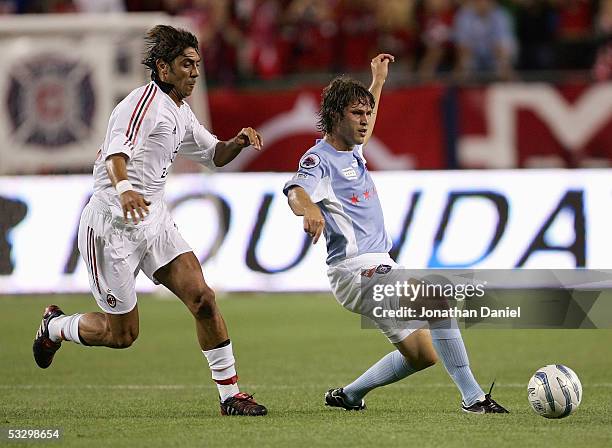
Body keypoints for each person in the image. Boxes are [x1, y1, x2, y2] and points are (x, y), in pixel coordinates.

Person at [33, 25, 267, 417]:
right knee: (121, 335)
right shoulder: (141, 104)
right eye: (185, 64)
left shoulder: (180, 110)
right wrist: (124, 188)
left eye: (196, 64)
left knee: (204, 299)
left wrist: (238, 142)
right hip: (112, 227)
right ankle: (55, 327)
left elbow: (215, 156)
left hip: (154, 219)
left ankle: (231, 397)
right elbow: (114, 155)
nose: (194, 72)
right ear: (162, 67)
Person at [283, 53, 508, 413]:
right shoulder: (318, 159)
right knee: (436, 301)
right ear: (335, 115)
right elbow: (297, 190)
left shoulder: (351, 148)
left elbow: (364, 129)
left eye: (367, 113)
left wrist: (378, 82)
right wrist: (308, 208)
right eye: (357, 114)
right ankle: (474, 398)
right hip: (356, 270)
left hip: (376, 265)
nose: (365, 121)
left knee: (423, 356)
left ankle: (349, 395)